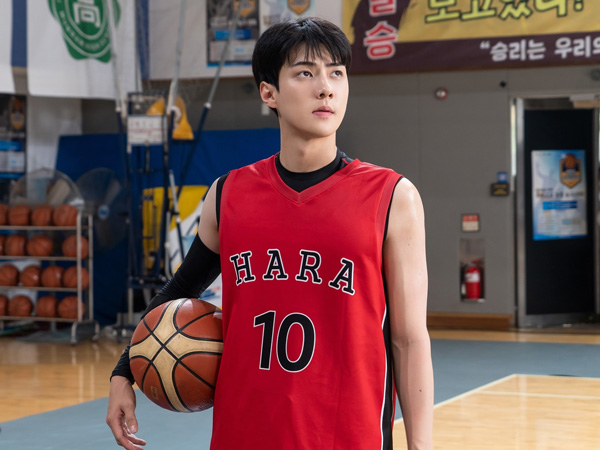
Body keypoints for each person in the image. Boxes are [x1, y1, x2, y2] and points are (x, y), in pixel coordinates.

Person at [106, 17, 433, 450]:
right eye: (305, 73)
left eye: (336, 73)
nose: (325, 88)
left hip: (348, 435)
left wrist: (421, 446)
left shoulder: (391, 196)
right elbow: (181, 289)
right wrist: (123, 373)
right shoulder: (228, 194)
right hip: (243, 434)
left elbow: (409, 340)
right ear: (268, 93)